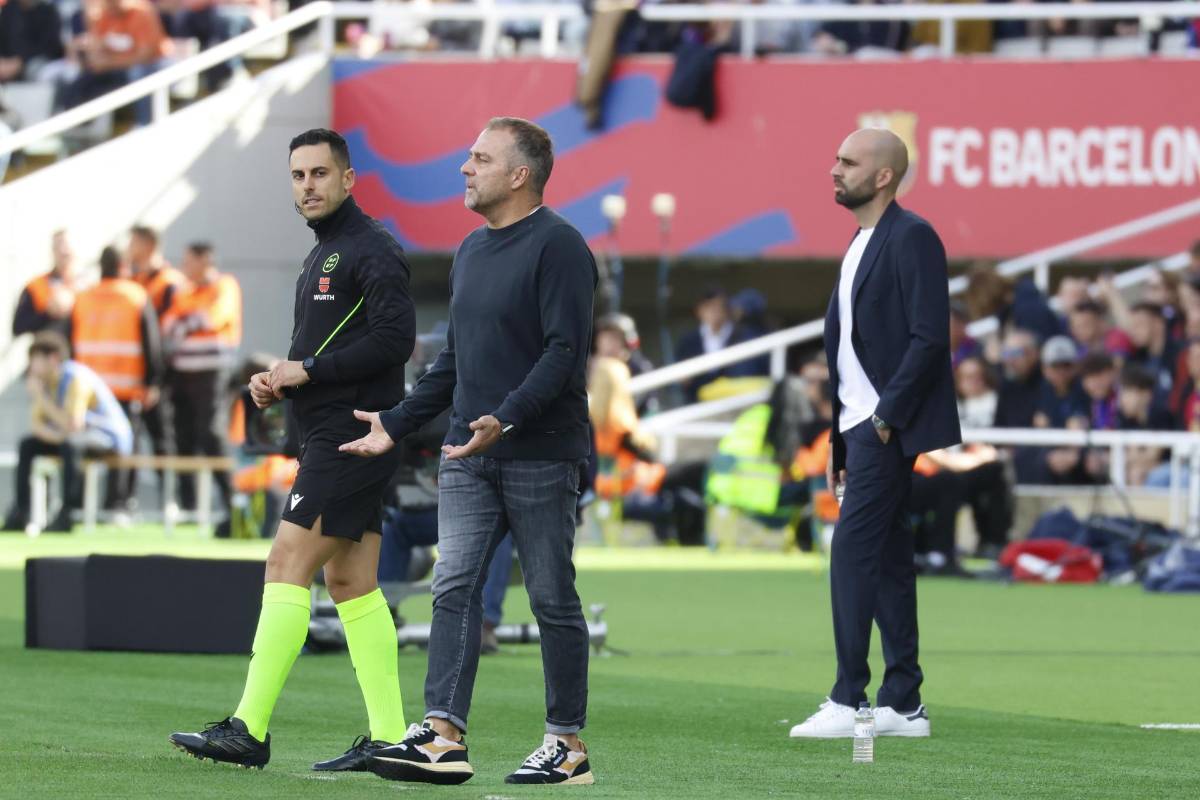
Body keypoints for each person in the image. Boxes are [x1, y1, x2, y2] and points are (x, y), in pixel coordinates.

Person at [339, 117, 597, 786]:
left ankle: (567, 746)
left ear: (519, 175)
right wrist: (397, 422)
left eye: (480, 158)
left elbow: (564, 353)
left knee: (551, 597)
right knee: (453, 585)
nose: (465, 168)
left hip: (540, 452)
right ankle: (443, 736)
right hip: (467, 454)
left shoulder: (561, 246)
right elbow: (453, 361)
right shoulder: (471, 251)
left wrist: (506, 419)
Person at [169, 128, 416, 771]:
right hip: (334, 435)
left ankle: (248, 729)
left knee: (285, 563)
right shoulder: (322, 253)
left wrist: (306, 369)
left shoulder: (372, 248)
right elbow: (328, 351)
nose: (307, 186)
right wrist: (279, 381)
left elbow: (395, 341)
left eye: (319, 173)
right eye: (298, 175)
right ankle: (391, 736)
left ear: (348, 179)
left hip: (351, 435)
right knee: (350, 582)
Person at [789, 128, 959, 740]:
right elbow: (849, 356)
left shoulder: (912, 236)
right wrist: (842, 438)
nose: (834, 169)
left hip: (882, 427)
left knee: (852, 553)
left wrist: (885, 417)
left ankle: (848, 697)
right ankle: (904, 704)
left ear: (884, 176)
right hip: (859, 428)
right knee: (886, 557)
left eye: (849, 161)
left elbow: (929, 337)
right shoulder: (861, 241)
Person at [2, 332, 133, 533]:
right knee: (27, 445)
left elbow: (74, 424)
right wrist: (58, 436)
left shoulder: (76, 379)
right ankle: (21, 511)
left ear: (53, 358)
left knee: (70, 445)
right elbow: (37, 427)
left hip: (107, 437)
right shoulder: (44, 382)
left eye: (36, 360)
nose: (32, 367)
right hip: (70, 437)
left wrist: (41, 399)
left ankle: (68, 512)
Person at [69, 245, 163, 511]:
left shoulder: (83, 297)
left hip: (88, 391)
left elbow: (70, 340)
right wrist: (153, 382)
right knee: (124, 444)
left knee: (83, 443)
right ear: (123, 267)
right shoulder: (135, 295)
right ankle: (118, 502)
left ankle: (77, 503)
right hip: (126, 388)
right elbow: (151, 343)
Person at [159, 242, 241, 520]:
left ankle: (232, 500)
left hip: (213, 372)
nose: (184, 267)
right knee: (182, 436)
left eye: (188, 261)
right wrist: (189, 322)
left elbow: (211, 318)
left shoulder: (224, 285)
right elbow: (168, 325)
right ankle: (189, 505)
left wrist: (186, 323)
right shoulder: (185, 291)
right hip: (182, 373)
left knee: (211, 433)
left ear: (205, 260)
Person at [128, 225, 185, 492]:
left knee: (164, 436)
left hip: (164, 375)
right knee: (131, 438)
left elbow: (171, 333)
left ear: (148, 245)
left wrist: (157, 379)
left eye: (133, 243)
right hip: (136, 373)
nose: (129, 249)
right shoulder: (134, 281)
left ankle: (172, 498)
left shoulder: (170, 283)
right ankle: (127, 499)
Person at [675, 285, 769, 402]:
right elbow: (683, 379)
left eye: (719, 306)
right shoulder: (688, 341)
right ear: (699, 310)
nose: (714, 312)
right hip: (698, 404)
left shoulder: (743, 336)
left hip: (736, 402)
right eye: (709, 306)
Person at [13, 230, 80, 338]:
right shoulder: (35, 286)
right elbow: (18, 327)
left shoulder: (88, 287)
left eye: (67, 246)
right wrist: (48, 313)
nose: (63, 251)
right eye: (59, 246)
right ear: (52, 251)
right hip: (49, 345)